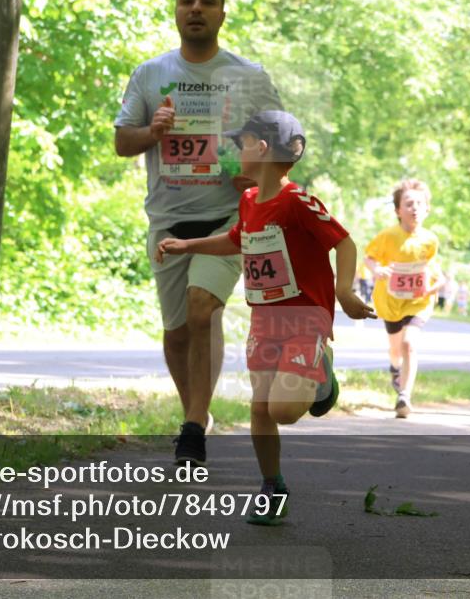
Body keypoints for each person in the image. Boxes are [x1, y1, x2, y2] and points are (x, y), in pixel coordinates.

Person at [156, 110, 375, 525]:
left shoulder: (297, 202)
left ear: (263, 148)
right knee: (260, 409)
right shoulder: (249, 200)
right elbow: (236, 240)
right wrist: (188, 246)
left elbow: (344, 243)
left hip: (305, 319)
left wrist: (344, 292)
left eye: (243, 142)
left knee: (284, 411)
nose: (236, 150)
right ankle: (272, 485)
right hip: (265, 323)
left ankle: (320, 374)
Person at [115, 0, 283, 464]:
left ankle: (191, 427)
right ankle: (197, 411)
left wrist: (253, 173)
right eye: (187, 0)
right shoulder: (150, 74)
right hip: (167, 220)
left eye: (207, 2)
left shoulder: (249, 77)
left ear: (221, 15)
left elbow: (286, 144)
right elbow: (123, 142)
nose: (196, 8)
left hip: (229, 217)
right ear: (175, 11)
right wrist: (153, 130)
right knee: (178, 331)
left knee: (201, 306)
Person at [365, 179, 444, 418]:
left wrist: (438, 282)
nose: (415, 208)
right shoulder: (388, 236)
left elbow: (430, 266)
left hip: (418, 301)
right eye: (408, 203)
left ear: (427, 209)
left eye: (420, 203)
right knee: (395, 348)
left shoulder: (430, 240)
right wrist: (376, 270)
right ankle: (395, 368)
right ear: (398, 210)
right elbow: (369, 257)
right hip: (390, 302)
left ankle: (404, 397)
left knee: (409, 343)